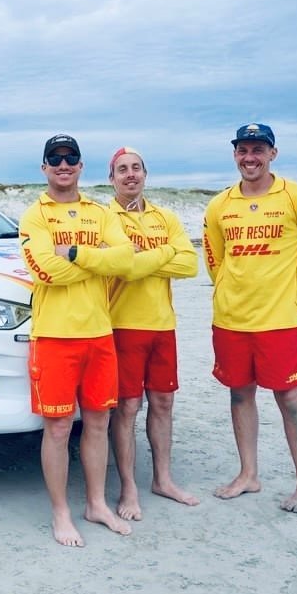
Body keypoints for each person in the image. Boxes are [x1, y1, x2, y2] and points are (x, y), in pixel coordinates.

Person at [202, 123, 297, 513]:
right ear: (235, 155)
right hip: (231, 319)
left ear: (273, 153)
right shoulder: (220, 205)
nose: (250, 157)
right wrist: (229, 288)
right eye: (243, 150)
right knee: (239, 392)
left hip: (281, 320)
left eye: (258, 149)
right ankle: (248, 474)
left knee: (289, 396)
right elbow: (215, 259)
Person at [18, 134, 136, 546]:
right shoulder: (35, 216)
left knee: (99, 423)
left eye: (71, 159)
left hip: (99, 333)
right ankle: (61, 512)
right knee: (58, 427)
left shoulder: (99, 213)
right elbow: (44, 271)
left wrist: (77, 255)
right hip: (54, 336)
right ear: (45, 168)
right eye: (55, 159)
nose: (63, 165)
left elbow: (126, 258)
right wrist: (96, 263)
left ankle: (96, 504)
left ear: (82, 166)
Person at [105, 147, 200, 521]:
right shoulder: (105, 218)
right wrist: (163, 256)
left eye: (136, 169)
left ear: (145, 174)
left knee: (163, 404)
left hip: (163, 325)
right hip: (122, 324)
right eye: (122, 170)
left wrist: (144, 256)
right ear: (112, 177)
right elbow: (123, 267)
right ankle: (128, 487)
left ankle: (163, 479)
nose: (130, 175)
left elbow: (190, 264)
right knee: (127, 407)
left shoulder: (166, 217)